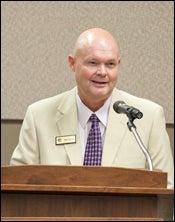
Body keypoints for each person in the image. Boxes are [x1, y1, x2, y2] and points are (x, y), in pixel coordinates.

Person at [10, 28, 174, 189]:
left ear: (118, 64)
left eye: (110, 64)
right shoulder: (39, 116)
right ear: (72, 63)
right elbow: (16, 185)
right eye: (93, 63)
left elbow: (166, 188)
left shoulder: (148, 117)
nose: (102, 72)